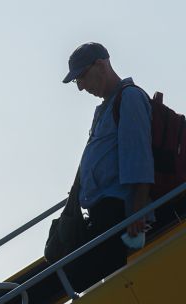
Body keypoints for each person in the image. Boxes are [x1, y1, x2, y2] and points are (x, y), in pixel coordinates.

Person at [63, 43, 157, 288]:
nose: (81, 86)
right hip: (101, 214)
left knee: (95, 282)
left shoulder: (130, 97)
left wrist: (137, 215)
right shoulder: (106, 108)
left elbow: (138, 158)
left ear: (101, 65)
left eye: (82, 76)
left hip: (117, 214)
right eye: (77, 81)